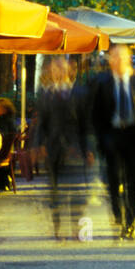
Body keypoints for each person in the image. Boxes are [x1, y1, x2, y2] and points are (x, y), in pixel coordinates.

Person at [91, 44, 135, 239]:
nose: (116, 61)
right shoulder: (103, 84)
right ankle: (118, 212)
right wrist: (97, 142)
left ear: (128, 59)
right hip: (113, 137)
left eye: (120, 57)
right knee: (114, 180)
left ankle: (131, 222)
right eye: (113, 57)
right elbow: (97, 116)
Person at [35, 58, 91, 238]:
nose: (56, 72)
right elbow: (41, 123)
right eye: (53, 69)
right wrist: (38, 145)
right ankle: (57, 227)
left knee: (76, 191)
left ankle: (77, 228)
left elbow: (87, 124)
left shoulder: (80, 93)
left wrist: (88, 149)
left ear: (68, 71)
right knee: (55, 191)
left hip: (75, 148)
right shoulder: (46, 95)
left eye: (60, 69)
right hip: (53, 149)